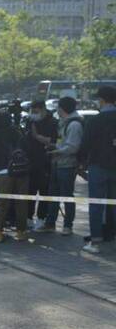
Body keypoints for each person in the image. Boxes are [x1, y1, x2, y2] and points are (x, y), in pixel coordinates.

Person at [36, 97, 83, 236]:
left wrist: (56, 151)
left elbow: (73, 147)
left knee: (67, 196)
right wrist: (54, 146)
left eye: (58, 108)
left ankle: (68, 226)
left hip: (67, 165)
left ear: (62, 109)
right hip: (57, 163)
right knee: (53, 195)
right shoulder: (64, 123)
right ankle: (50, 223)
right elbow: (64, 143)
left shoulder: (74, 125)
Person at [80, 86, 116, 253]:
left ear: (102, 100)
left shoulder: (94, 121)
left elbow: (85, 144)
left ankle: (96, 240)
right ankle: (112, 234)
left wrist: (80, 164)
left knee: (96, 204)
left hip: (97, 166)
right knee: (113, 203)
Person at [0, 111, 30, 242]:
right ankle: (21, 231)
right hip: (22, 171)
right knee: (21, 202)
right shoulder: (19, 134)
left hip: (4, 173)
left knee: (2, 204)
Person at [25, 100, 57, 229]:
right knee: (30, 191)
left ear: (43, 109)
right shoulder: (30, 121)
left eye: (36, 111)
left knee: (44, 191)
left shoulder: (53, 122)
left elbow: (53, 141)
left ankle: (42, 217)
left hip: (46, 162)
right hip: (30, 163)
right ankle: (28, 217)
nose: (34, 114)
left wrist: (37, 136)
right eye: (32, 112)